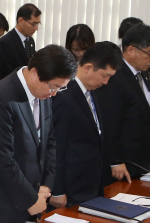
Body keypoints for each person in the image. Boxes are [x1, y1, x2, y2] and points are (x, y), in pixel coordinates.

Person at [0, 45, 77, 223]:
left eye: (60, 88)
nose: (54, 93)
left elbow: (49, 142)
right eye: (53, 86)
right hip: (1, 205)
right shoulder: (0, 98)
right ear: (35, 73)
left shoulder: (42, 93)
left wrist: (45, 187)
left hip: (33, 199)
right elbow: (2, 160)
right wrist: (31, 197)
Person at [50, 42, 123, 208]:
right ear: (88, 68)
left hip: (91, 185)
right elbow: (57, 146)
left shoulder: (93, 92)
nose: (106, 82)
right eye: (105, 75)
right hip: (71, 189)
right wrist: (57, 190)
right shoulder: (63, 94)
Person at [97, 24, 150, 182]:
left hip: (140, 163)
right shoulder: (114, 76)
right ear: (131, 50)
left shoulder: (142, 73)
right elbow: (109, 123)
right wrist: (116, 161)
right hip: (122, 166)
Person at [0, 3, 41, 80]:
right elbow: (6, 74)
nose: (36, 28)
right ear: (21, 21)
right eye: (33, 24)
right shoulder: (5, 42)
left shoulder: (30, 40)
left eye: (38, 24)